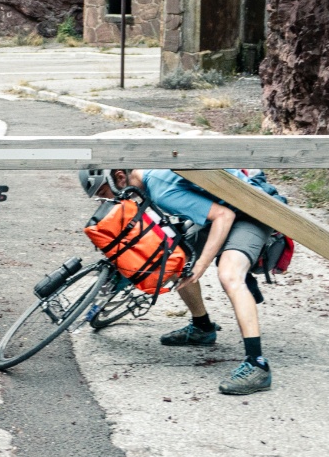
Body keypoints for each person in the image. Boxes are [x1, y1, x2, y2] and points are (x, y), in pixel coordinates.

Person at [79, 168, 275, 395]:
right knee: (172, 257)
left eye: (106, 193)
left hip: (252, 211)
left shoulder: (161, 189)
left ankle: (257, 364)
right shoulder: (147, 185)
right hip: (224, 210)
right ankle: (203, 328)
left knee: (229, 275)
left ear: (120, 178)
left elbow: (224, 216)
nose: (110, 202)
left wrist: (201, 264)